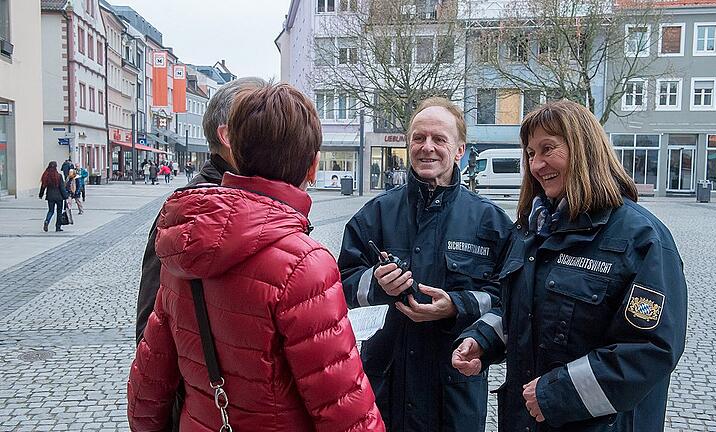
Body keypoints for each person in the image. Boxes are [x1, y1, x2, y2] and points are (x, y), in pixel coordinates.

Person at [127, 83, 384, 431]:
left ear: (237, 152)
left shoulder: (183, 246)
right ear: (312, 167)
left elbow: (147, 390)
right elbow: (344, 408)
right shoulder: (304, 264)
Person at [452, 100, 687, 432]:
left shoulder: (642, 238)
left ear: (584, 149)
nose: (536, 164)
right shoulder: (534, 229)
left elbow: (651, 349)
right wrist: (482, 339)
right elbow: (518, 310)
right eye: (531, 153)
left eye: (548, 148)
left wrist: (556, 394)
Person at [338, 97, 515, 432]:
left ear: (460, 150)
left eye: (439, 139)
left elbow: (512, 299)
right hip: (385, 392)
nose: (427, 148)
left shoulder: (490, 222)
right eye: (419, 138)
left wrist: (456, 306)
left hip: (454, 397)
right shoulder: (375, 215)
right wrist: (375, 283)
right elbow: (339, 287)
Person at [134, 77, 268, 431]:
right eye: (258, 120)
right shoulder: (187, 211)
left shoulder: (262, 201)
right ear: (227, 136)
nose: (271, 129)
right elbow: (151, 331)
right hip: (207, 411)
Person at [39, 161, 68, 232]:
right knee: (59, 212)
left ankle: (47, 221)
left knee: (51, 211)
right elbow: (62, 188)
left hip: (50, 196)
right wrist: (66, 196)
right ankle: (58, 227)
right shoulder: (59, 176)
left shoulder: (46, 176)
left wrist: (41, 194)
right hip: (59, 197)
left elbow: (43, 186)